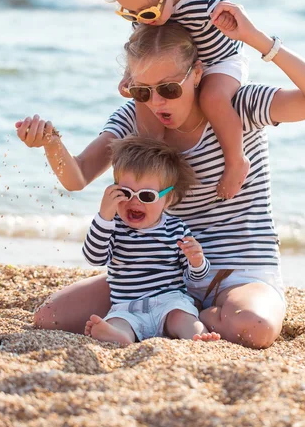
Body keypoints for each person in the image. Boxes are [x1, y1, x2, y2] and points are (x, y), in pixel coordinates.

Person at [16, 1, 305, 348]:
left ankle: (183, 320)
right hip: (159, 275)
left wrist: (257, 39)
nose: (157, 102)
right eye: (144, 91)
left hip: (241, 270)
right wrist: (51, 143)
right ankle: (173, 320)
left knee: (255, 328)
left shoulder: (238, 106)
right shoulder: (133, 119)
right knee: (48, 318)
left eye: (169, 89)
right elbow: (78, 176)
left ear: (198, 73)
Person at [100, 0, 250, 199]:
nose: (141, 20)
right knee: (144, 104)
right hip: (180, 68)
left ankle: (236, 160)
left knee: (213, 98)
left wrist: (232, 21)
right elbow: (141, 44)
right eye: (130, 14)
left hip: (220, 61)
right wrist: (129, 75)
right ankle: (153, 180)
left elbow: (238, 20)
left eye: (147, 13)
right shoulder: (145, 11)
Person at [82, 135, 220, 344]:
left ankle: (196, 336)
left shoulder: (176, 229)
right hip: (127, 306)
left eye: (147, 196)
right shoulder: (113, 226)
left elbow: (196, 278)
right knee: (118, 321)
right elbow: (94, 257)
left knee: (183, 316)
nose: (135, 202)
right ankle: (120, 337)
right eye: (126, 193)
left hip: (169, 302)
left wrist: (197, 261)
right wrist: (104, 216)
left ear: (168, 198)